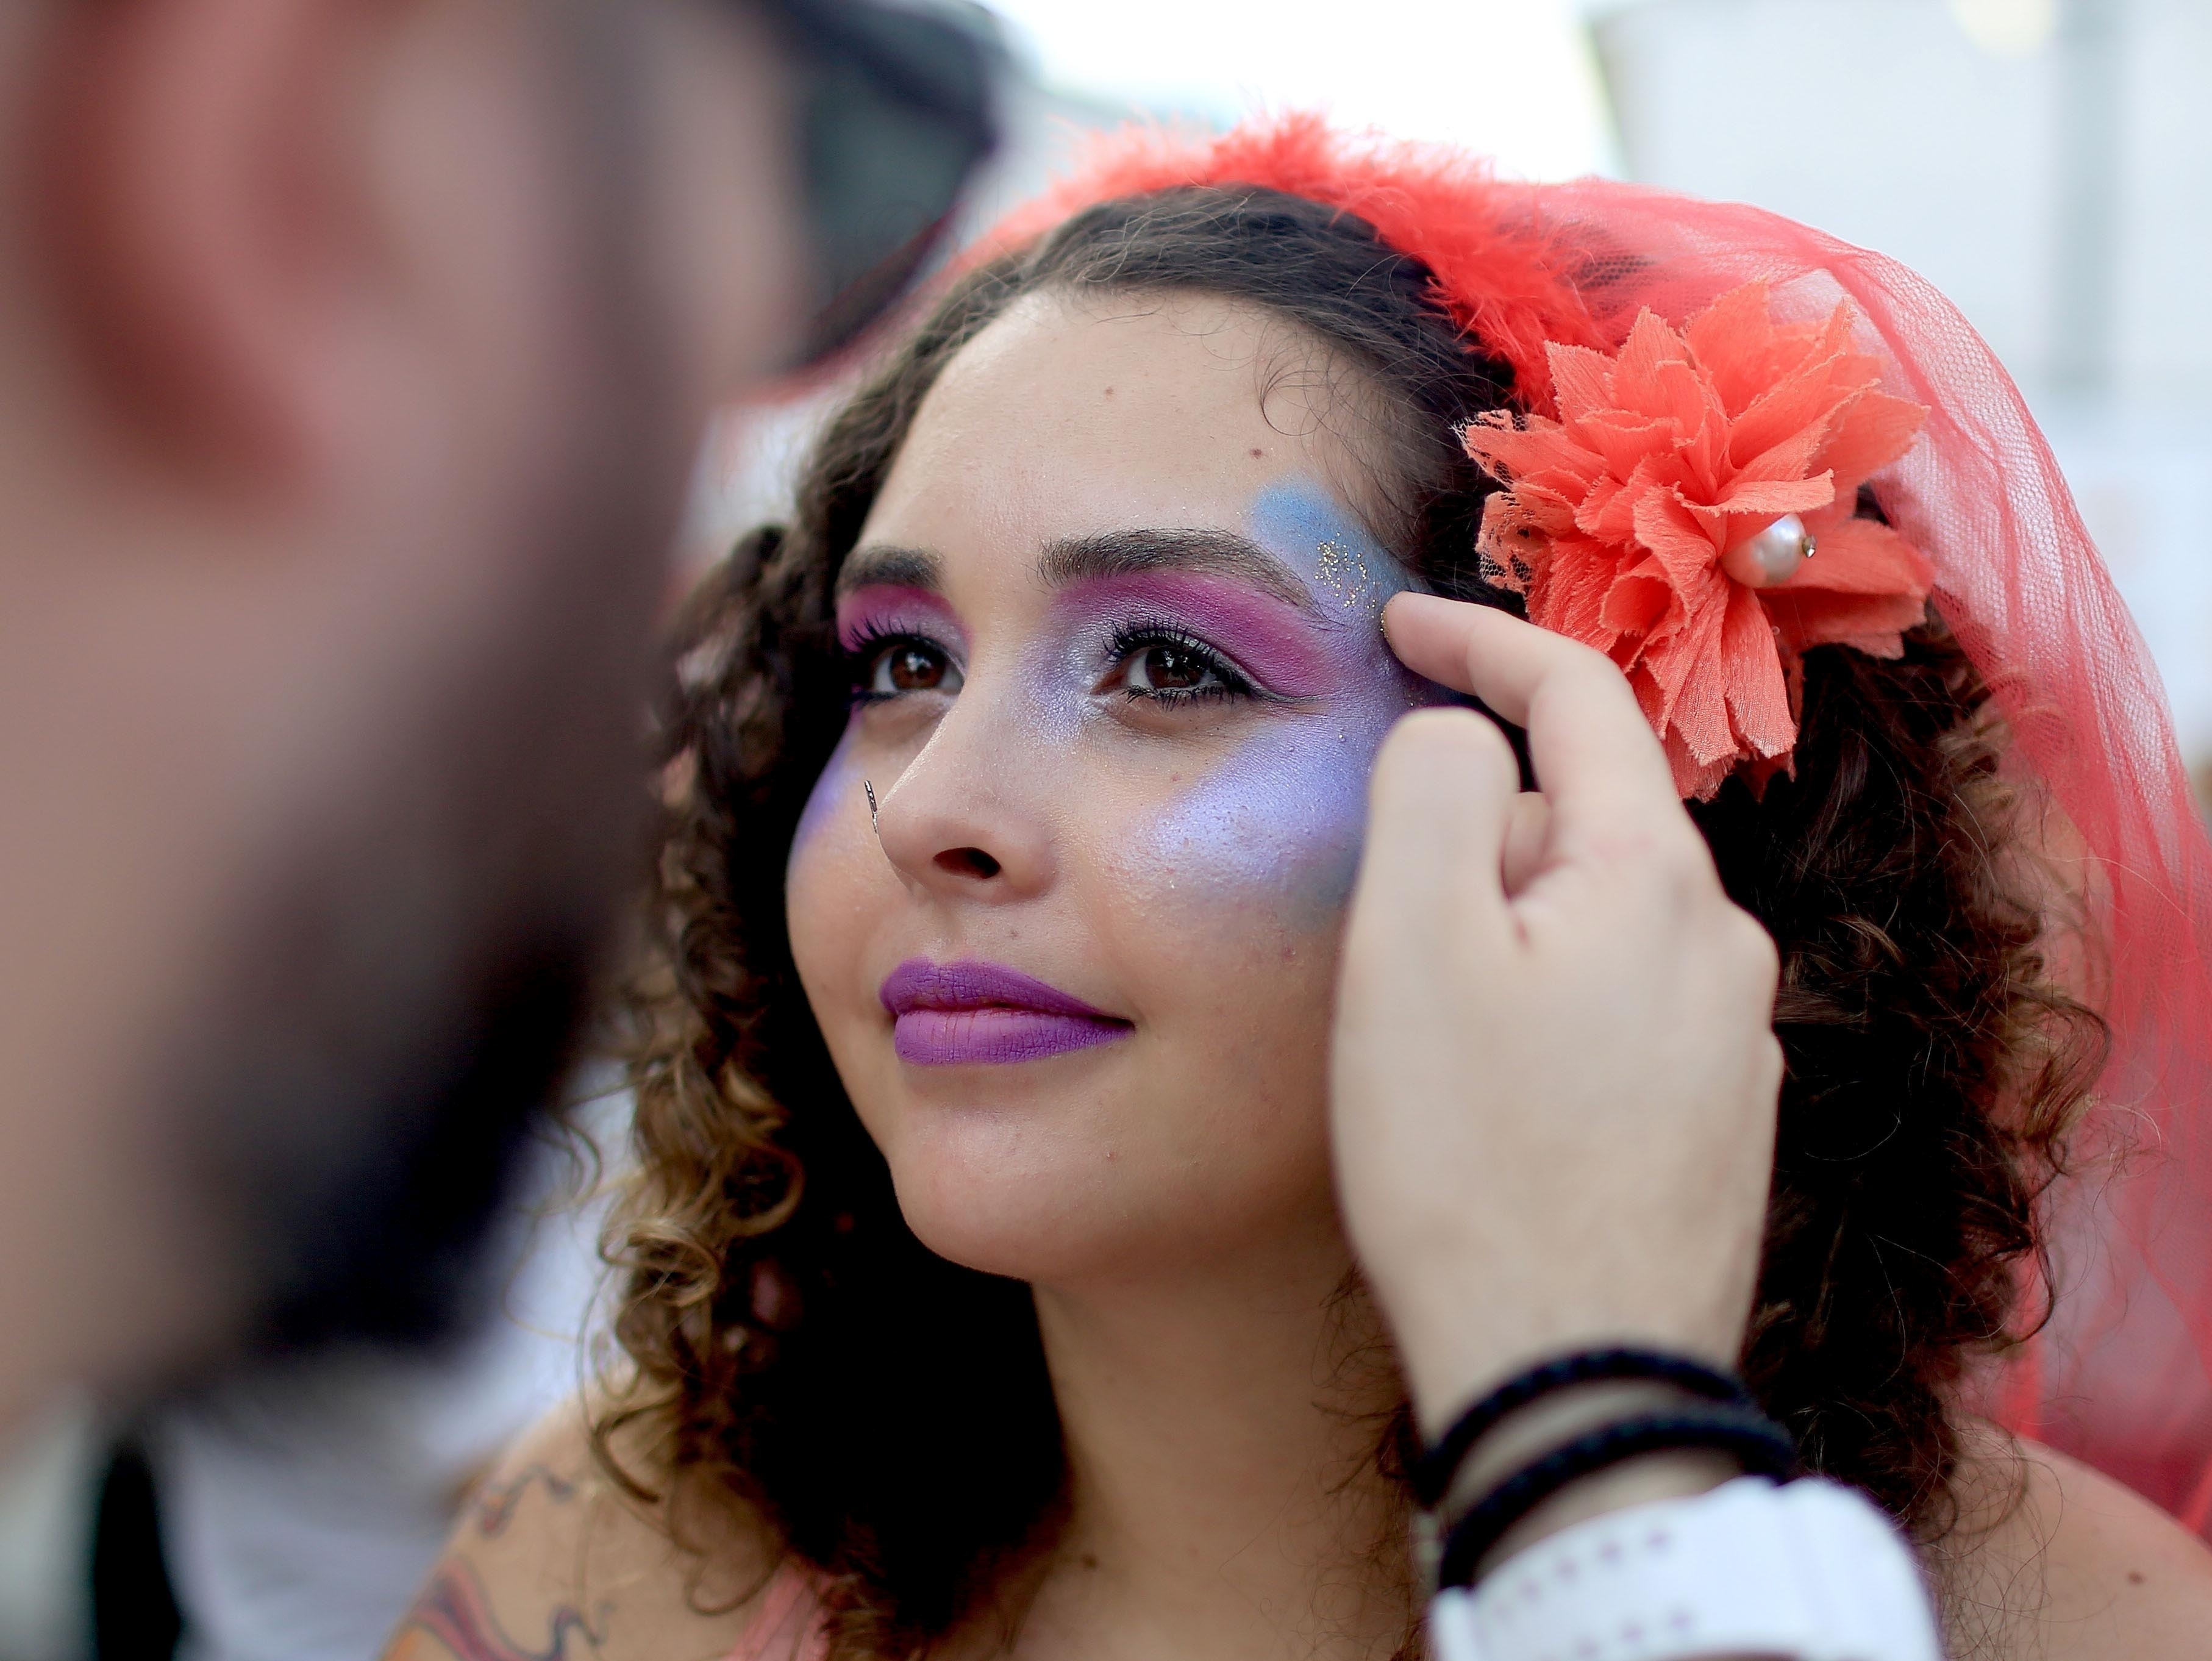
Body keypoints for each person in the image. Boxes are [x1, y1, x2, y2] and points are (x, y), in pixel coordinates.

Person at [390, 117, 2212, 1660]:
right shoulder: (623, 1565)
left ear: (1586, 815)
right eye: (896, 664)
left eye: (1171, 666)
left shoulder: (2079, 1622)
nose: (931, 804)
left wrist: (1597, 1443)